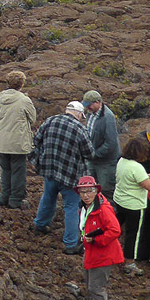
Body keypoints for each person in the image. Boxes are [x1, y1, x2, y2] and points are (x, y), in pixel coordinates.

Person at [30, 101, 94, 255]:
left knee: (48, 196)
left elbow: (36, 139)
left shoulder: (50, 120)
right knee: (71, 207)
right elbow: (90, 153)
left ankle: (40, 225)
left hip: (49, 170)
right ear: (79, 114)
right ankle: (71, 244)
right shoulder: (80, 129)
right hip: (70, 176)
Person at [77, 175, 123, 300]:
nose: (86, 195)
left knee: (96, 287)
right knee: (91, 284)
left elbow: (115, 230)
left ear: (96, 191)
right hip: (92, 252)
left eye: (89, 191)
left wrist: (97, 240)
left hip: (103, 254)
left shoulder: (103, 209)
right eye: (83, 192)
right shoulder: (85, 208)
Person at [113, 138, 150, 275]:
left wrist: (148, 176)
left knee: (115, 226)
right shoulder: (137, 167)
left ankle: (104, 247)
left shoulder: (122, 162)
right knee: (132, 235)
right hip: (134, 205)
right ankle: (130, 263)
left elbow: (135, 178)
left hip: (120, 200)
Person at [0, 70, 38, 208]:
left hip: (2, 141)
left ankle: (4, 197)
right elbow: (33, 118)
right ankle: (15, 200)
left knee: (6, 170)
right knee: (18, 171)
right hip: (18, 142)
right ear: (22, 83)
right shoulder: (24, 100)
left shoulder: (1, 97)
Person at [81, 91, 120, 199]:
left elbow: (110, 143)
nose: (87, 108)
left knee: (106, 191)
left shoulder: (108, 117)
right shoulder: (90, 114)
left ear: (98, 102)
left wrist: (94, 154)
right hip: (93, 160)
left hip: (106, 163)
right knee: (90, 188)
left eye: (89, 105)